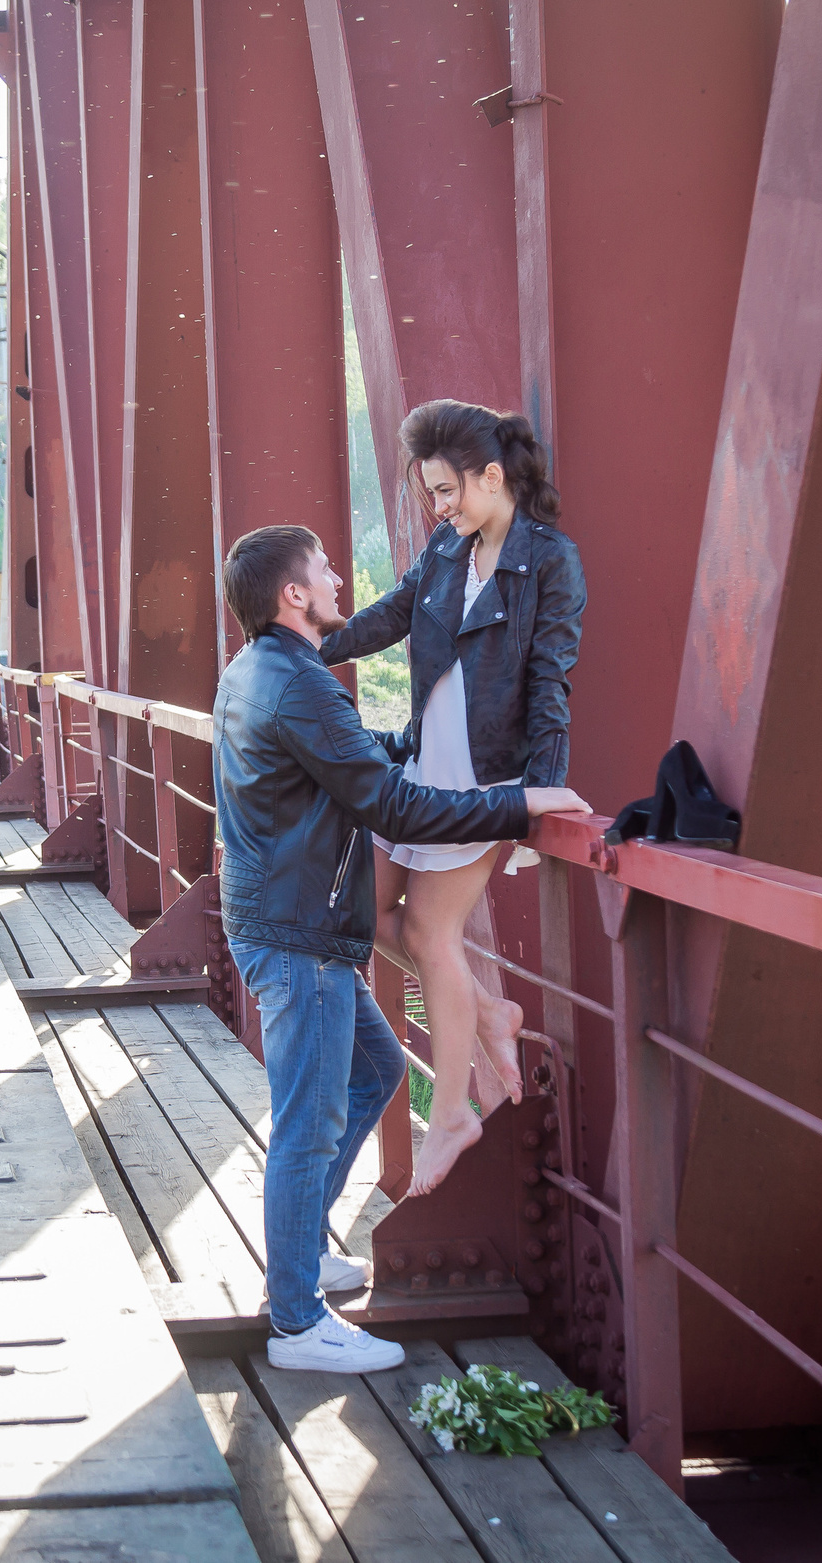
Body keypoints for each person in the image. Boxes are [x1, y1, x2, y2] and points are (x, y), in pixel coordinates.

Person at [216, 523, 590, 1373]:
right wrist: (517, 804)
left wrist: (425, 750)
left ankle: (299, 1258)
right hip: (298, 937)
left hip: (285, 921)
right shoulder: (300, 685)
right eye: (323, 569)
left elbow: (341, 762)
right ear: (293, 596)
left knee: (373, 1072)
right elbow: (394, 810)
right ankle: (298, 1322)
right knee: (307, 1126)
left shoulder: (259, 671)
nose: (340, 578)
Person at [320, 402, 585, 1198]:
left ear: (491, 477)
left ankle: (453, 1117)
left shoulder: (549, 561)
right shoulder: (447, 548)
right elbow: (393, 615)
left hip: (489, 781)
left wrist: (539, 792)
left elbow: (551, 681)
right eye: (433, 493)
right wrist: (306, 642)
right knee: (367, 911)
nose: (438, 507)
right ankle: (488, 1013)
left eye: (446, 491)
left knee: (431, 930)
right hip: (426, 771)